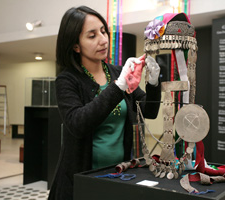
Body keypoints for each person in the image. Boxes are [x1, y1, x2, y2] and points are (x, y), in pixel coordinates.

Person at [48, 5, 161, 200]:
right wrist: (119, 86)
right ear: (76, 45)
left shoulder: (117, 73)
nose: (103, 40)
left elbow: (148, 111)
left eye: (103, 31)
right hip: (82, 179)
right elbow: (78, 123)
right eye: (92, 36)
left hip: (118, 175)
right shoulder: (67, 80)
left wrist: (153, 82)